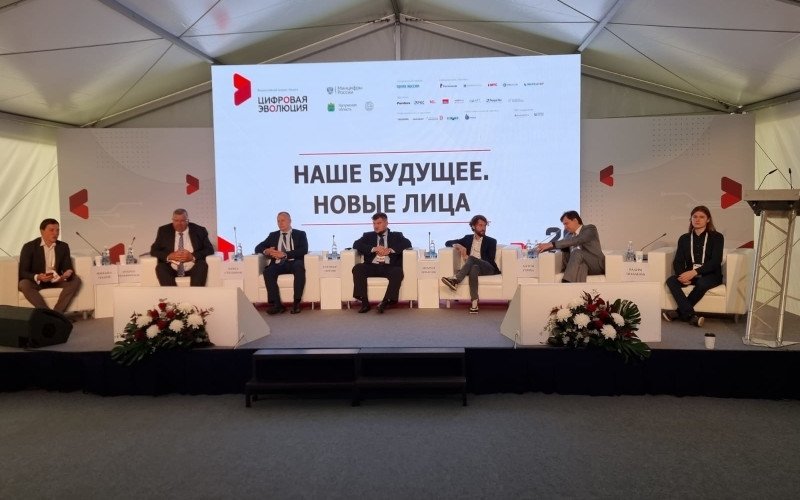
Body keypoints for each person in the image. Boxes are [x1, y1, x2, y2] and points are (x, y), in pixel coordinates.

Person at [662, 205, 724, 327]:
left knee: (702, 283)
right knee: (671, 280)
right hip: (690, 274)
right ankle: (691, 316)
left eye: (701, 217)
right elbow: (678, 261)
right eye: (694, 217)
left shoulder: (717, 237)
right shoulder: (684, 238)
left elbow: (716, 261)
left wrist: (694, 272)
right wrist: (682, 275)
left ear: (708, 219)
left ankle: (679, 313)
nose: (697, 219)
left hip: (711, 275)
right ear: (691, 219)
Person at [18, 218, 82, 313]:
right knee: (24, 284)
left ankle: (57, 313)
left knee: (76, 280)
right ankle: (47, 314)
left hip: (56, 280)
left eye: (57, 230)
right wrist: (38, 277)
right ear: (42, 231)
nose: (55, 233)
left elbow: (67, 267)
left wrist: (66, 274)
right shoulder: (29, 247)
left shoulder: (63, 246)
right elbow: (23, 272)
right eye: (51, 230)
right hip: (37, 281)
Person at [352, 212, 412, 313]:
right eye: (374, 223)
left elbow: (407, 243)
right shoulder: (368, 236)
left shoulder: (396, 235)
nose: (376, 226)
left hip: (389, 267)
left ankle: (385, 302)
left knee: (398, 271)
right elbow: (356, 244)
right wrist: (373, 248)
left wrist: (390, 250)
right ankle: (365, 303)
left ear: (386, 223)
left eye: (379, 223)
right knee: (358, 268)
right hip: (371, 266)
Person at [440, 214, 500, 313]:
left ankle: (456, 280)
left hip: (488, 267)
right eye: (480, 225)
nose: (483, 228)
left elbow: (490, 259)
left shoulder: (491, 241)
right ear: (473, 226)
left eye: (484, 226)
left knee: (471, 259)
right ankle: (474, 303)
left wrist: (468, 258)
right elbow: (447, 242)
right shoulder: (467, 238)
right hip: (475, 268)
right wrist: (458, 245)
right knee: (474, 268)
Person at [254, 211, 308, 315]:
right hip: (278, 264)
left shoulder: (300, 234)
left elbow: (303, 250)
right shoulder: (273, 235)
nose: (280, 223)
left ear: (290, 221)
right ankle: (277, 305)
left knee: (299, 266)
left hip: (293, 261)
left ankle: (296, 303)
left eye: (283, 220)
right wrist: (267, 251)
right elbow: (258, 247)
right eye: (278, 221)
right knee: (268, 271)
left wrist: (285, 254)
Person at [149, 208, 214, 286]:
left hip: (193, 266)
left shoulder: (199, 230)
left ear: (187, 221)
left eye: (182, 221)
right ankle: (172, 293)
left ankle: (196, 293)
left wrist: (192, 256)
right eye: (176, 221)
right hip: (172, 267)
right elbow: (154, 250)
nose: (179, 224)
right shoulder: (164, 230)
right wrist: (169, 256)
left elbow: (209, 249)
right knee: (161, 267)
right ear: (172, 220)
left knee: (202, 265)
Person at [536, 210, 605, 282]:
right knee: (580, 265)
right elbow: (561, 245)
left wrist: (552, 243)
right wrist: (541, 249)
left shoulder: (590, 229)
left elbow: (578, 239)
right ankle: (576, 288)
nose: (565, 227)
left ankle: (566, 283)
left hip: (596, 265)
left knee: (577, 252)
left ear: (575, 220)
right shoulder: (568, 235)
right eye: (564, 225)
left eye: (566, 224)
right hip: (582, 264)